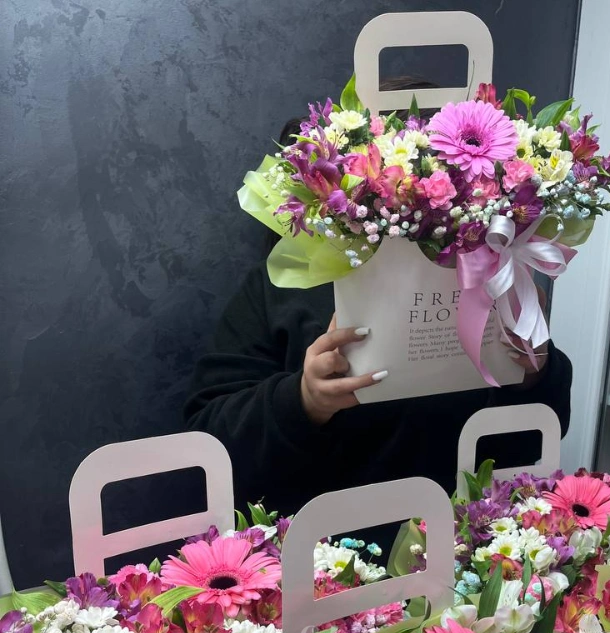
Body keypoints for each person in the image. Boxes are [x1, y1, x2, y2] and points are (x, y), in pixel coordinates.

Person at [185, 83, 573, 519]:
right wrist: (304, 399)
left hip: (465, 533)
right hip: (322, 541)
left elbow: (536, 441)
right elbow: (209, 440)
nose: (415, 186)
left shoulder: (486, 275)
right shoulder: (280, 286)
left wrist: (534, 373)